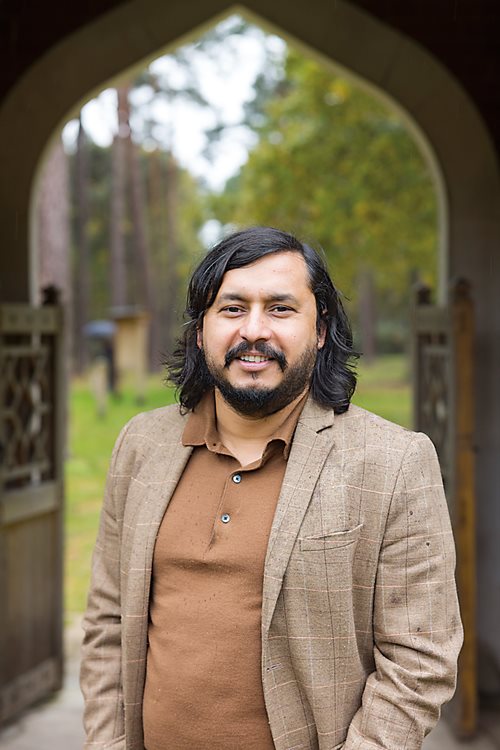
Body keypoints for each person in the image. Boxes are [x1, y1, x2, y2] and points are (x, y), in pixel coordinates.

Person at [80, 226, 462, 750]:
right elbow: (107, 621)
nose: (253, 331)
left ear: (321, 329)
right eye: (232, 308)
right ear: (200, 330)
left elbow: (421, 660)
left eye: (280, 309)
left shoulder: (392, 462)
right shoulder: (141, 445)